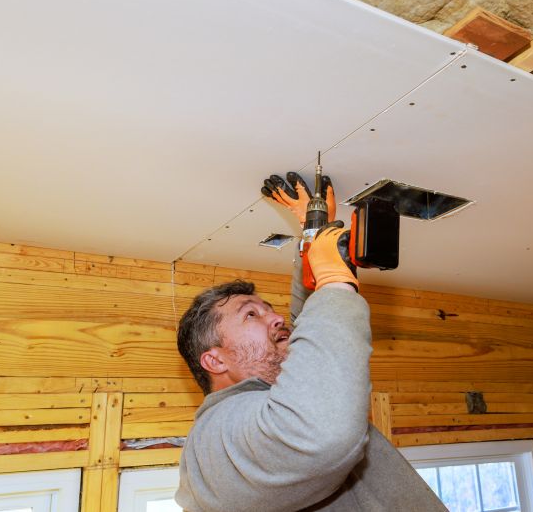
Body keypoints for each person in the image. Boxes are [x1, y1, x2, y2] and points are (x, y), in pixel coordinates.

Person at [174, 173, 447, 511]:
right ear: (215, 361)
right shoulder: (217, 434)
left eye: (269, 310)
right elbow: (319, 431)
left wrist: (312, 234)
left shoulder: (272, 400)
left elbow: (308, 345)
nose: (277, 318)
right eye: (251, 315)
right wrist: (334, 283)